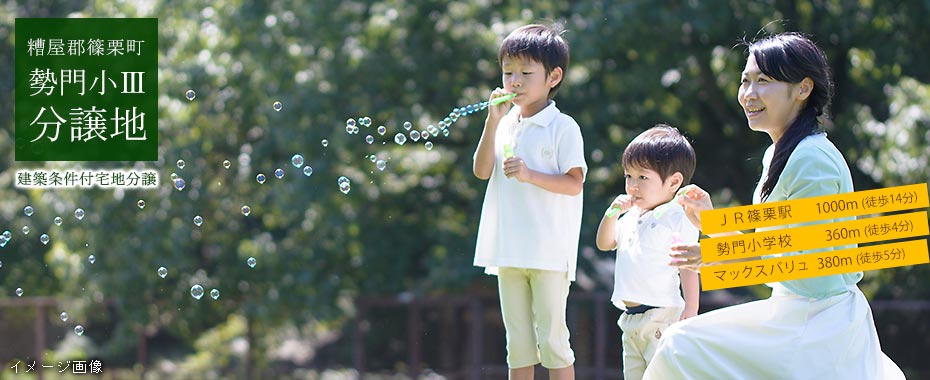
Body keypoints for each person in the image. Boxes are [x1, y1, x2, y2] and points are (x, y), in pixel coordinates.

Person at [641, 32, 905, 379]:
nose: (749, 94)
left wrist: (718, 250)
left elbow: (810, 270)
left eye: (763, 81)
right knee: (680, 347)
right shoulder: (780, 154)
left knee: (680, 347)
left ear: (803, 88)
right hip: (793, 316)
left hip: (817, 327)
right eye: (745, 81)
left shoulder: (813, 160)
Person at [472, 23, 586, 380]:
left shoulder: (562, 127)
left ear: (553, 76)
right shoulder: (505, 124)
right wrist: (492, 123)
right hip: (508, 249)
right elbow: (481, 170)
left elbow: (574, 184)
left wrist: (529, 174)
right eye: (507, 73)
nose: (514, 82)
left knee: (553, 340)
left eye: (525, 73)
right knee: (517, 343)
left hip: (549, 252)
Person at [594, 125, 700, 380]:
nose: (632, 186)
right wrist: (611, 214)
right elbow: (605, 243)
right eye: (628, 176)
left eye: (643, 178)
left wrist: (691, 309)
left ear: (674, 182)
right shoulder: (631, 216)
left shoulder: (677, 216)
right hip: (630, 319)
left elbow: (687, 265)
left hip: (661, 316)